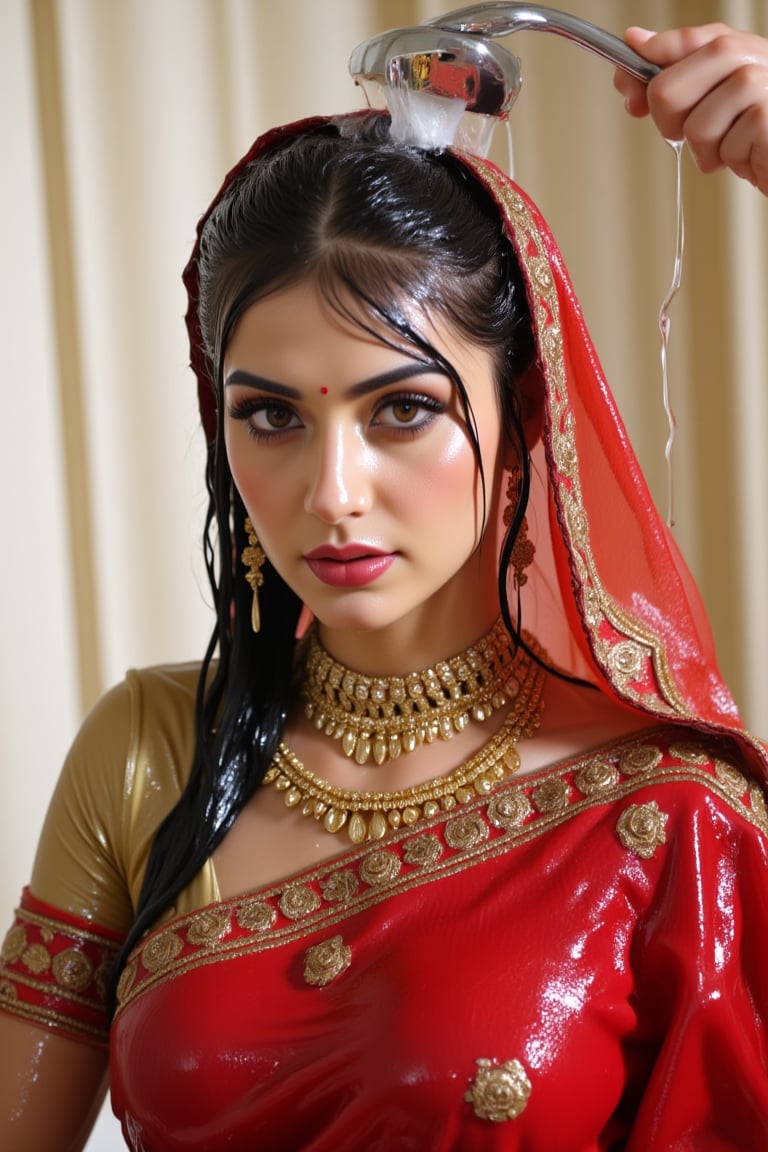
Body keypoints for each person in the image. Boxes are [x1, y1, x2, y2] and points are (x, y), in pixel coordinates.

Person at [2, 20, 768, 1152]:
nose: (332, 491)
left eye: (402, 410)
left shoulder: (664, 808)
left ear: (524, 421)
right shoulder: (150, 753)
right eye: (270, 417)